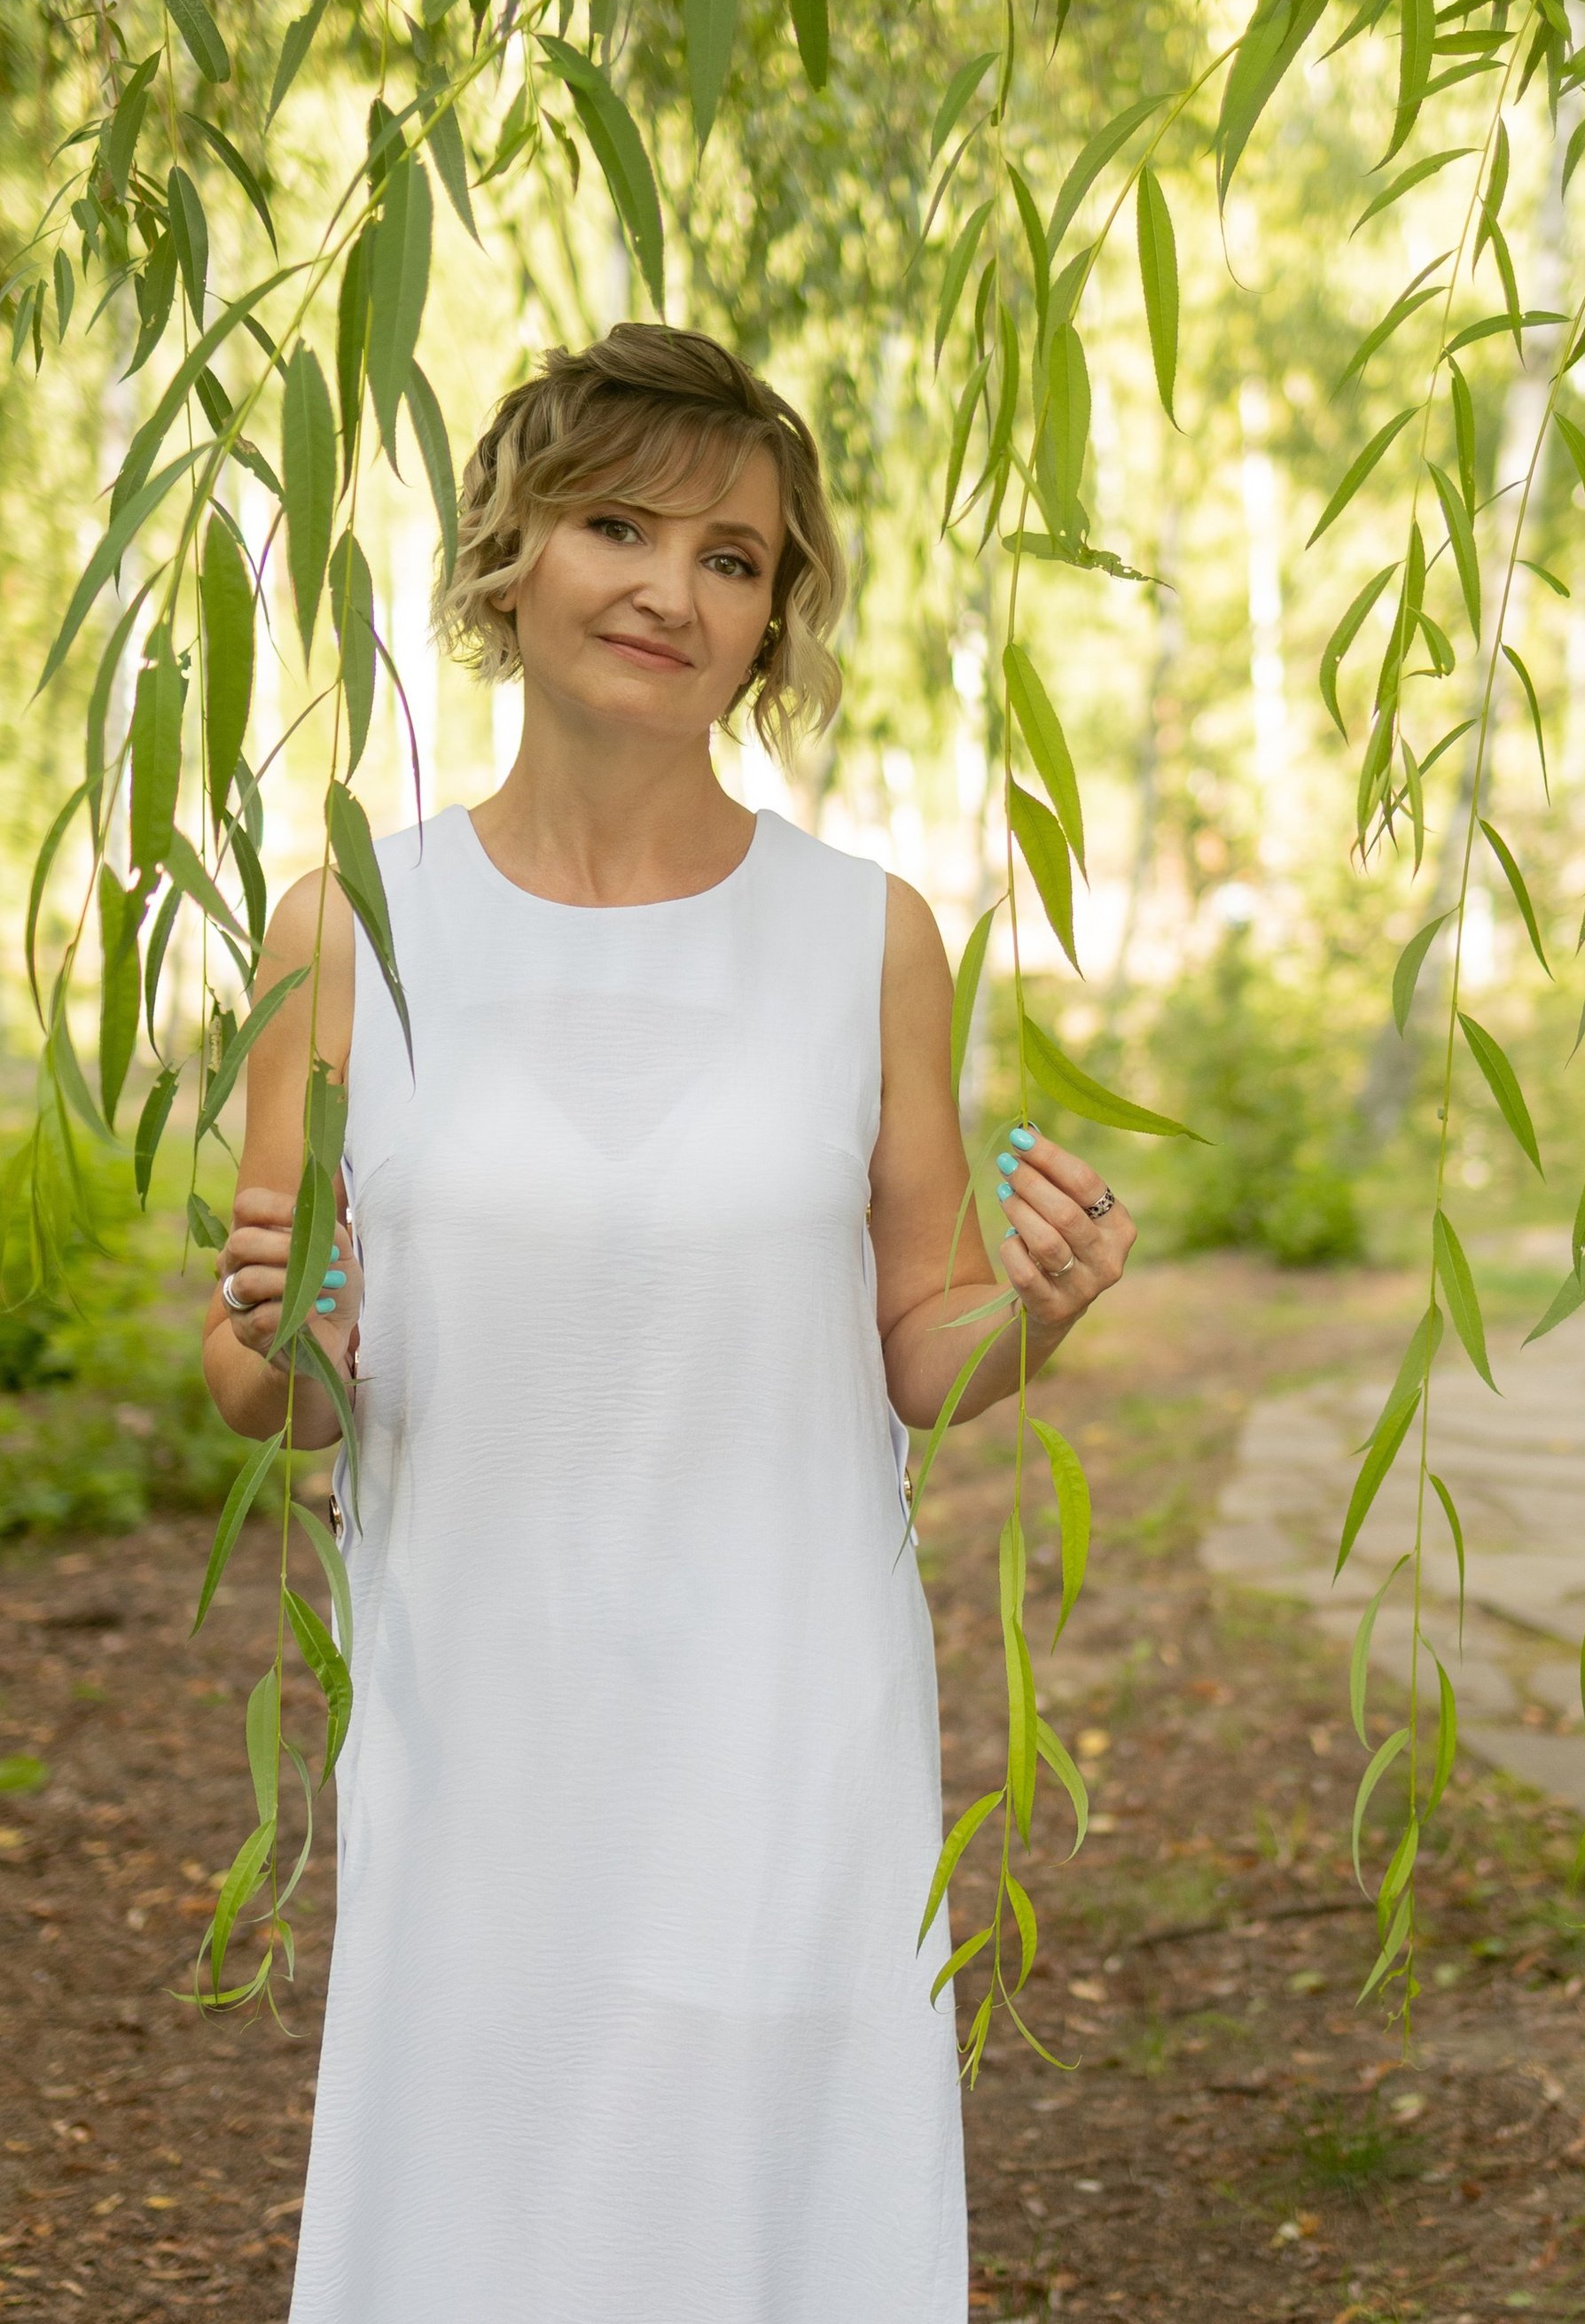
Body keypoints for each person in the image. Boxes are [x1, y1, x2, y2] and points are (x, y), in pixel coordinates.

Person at [201, 324, 1135, 2324]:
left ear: (770, 621)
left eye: (733, 557)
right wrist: (294, 1340)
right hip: (474, 1708)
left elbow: (924, 1334)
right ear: (503, 557)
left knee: (768, 2206)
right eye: (615, 522)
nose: (669, 587)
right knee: (482, 2205)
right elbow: (262, 1380)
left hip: (780, 1709)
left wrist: (1037, 1314)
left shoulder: (861, 931)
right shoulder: (343, 926)